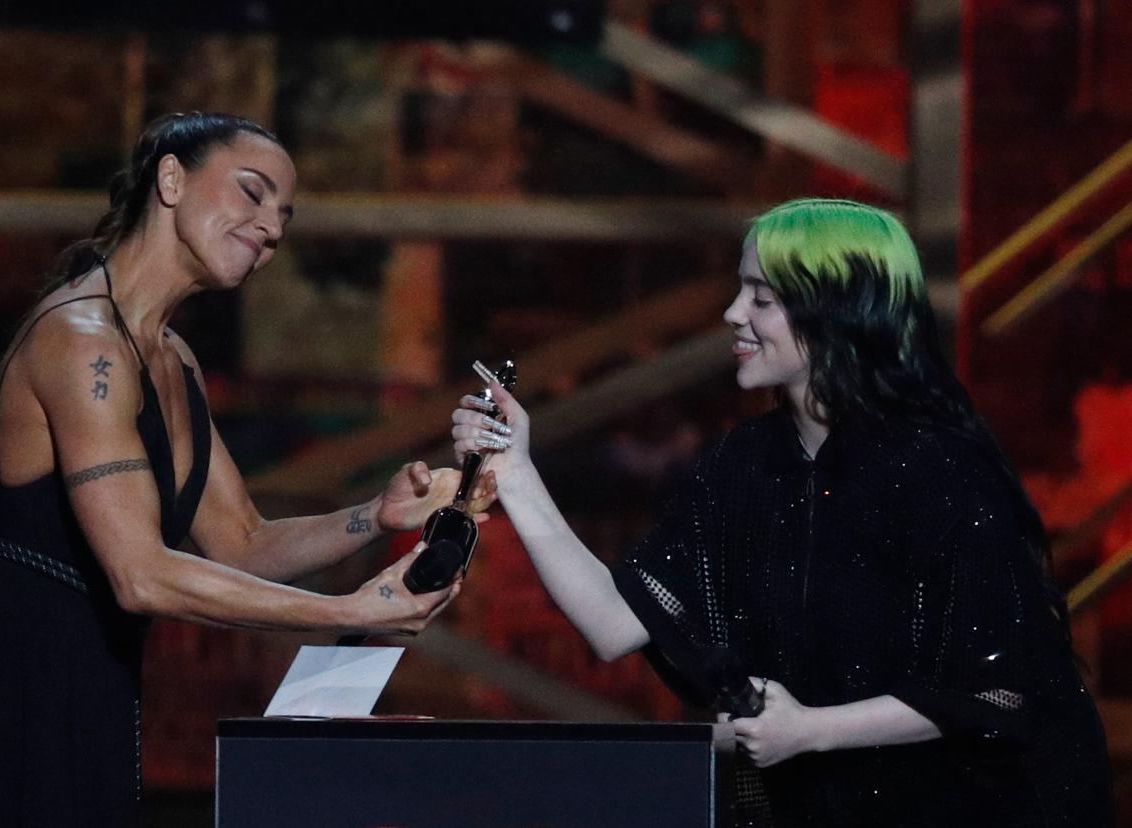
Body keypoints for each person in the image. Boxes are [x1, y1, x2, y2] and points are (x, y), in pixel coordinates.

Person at [0, 112, 486, 827]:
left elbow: (242, 542)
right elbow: (141, 575)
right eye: (252, 193)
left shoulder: (175, 359)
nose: (271, 227)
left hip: (86, 689)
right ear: (171, 180)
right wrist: (346, 613)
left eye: (284, 215)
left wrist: (374, 517)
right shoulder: (82, 343)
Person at [451, 198, 1112, 826]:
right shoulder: (744, 465)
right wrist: (517, 472)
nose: (735, 314)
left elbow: (996, 691)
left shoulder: (940, 468)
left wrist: (811, 731)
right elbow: (613, 621)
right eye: (741, 291)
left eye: (762, 298)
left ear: (837, 313)